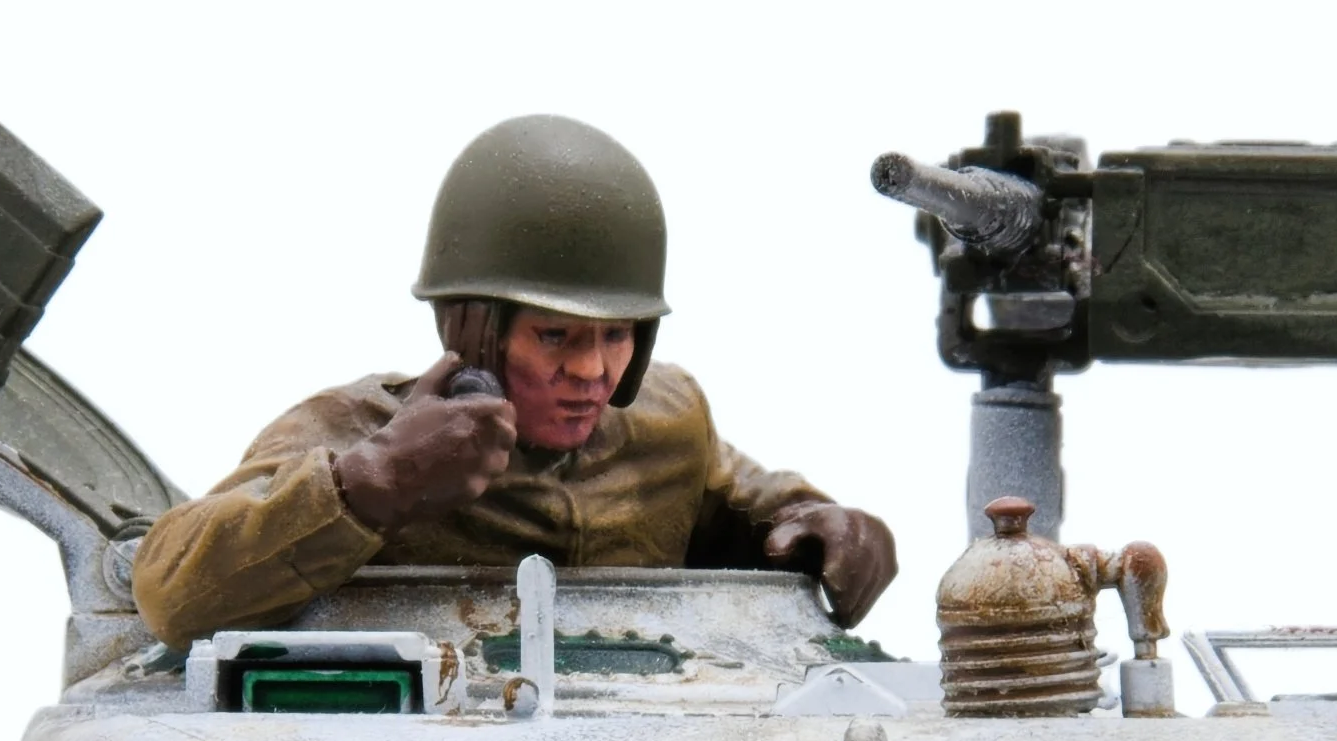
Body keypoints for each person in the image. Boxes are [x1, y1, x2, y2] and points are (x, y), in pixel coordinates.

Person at [132, 115, 896, 648]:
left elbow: (745, 499)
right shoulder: (355, 429)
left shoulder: (670, 419)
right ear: (475, 329)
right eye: (555, 336)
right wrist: (374, 484)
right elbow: (170, 593)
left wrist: (819, 521)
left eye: (617, 335)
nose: (591, 371)